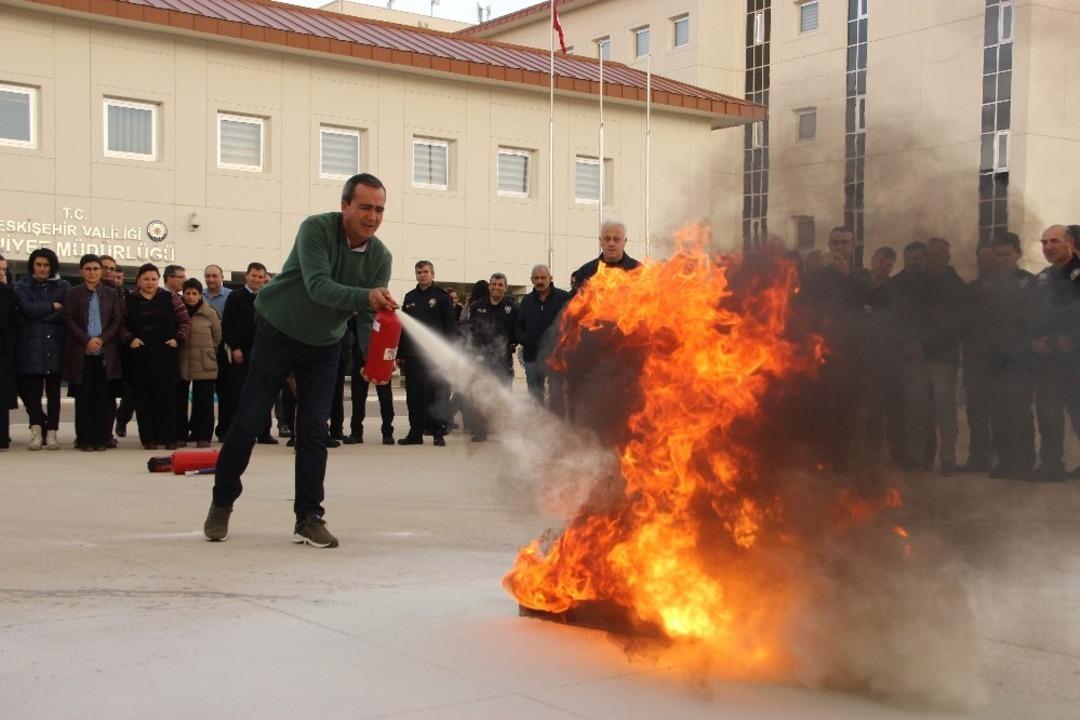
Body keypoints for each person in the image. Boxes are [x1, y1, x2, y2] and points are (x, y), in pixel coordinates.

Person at [204, 173, 395, 548]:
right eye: (365, 207)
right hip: (278, 333)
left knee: (314, 431)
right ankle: (222, 502)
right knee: (248, 421)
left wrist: (372, 360)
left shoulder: (380, 257)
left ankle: (309, 518)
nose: (372, 216)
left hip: (324, 346)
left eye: (380, 209)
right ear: (345, 206)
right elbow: (318, 286)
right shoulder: (316, 230)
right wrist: (367, 298)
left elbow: (366, 317)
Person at [1030, 225, 1080, 481]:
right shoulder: (1043, 278)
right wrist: (1033, 341)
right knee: (1048, 414)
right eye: (1044, 242)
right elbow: (1030, 315)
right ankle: (1051, 464)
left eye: (1054, 241)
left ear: (1069, 242)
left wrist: (1072, 339)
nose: (1048, 247)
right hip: (1048, 360)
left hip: (1075, 361)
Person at [122, 263, 191, 450]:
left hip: (165, 356)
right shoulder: (129, 299)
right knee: (144, 401)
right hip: (139, 356)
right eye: (146, 279)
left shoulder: (170, 298)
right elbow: (120, 324)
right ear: (139, 280)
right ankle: (149, 439)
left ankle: (168, 437)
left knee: (167, 399)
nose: (150, 283)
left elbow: (185, 322)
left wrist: (178, 339)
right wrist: (130, 339)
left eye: (153, 279)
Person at [986, 232, 1036, 479]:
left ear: (1018, 254)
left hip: (1021, 359)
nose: (1003, 259)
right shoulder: (987, 285)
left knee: (1021, 411)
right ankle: (1005, 461)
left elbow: (1037, 321)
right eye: (998, 255)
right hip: (994, 360)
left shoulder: (1030, 283)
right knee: (998, 412)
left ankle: (1025, 462)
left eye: (1007, 254)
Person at [63, 254, 123, 451]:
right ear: (81, 271)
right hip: (82, 353)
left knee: (103, 398)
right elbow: (69, 320)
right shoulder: (73, 293)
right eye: (88, 269)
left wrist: (101, 339)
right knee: (84, 399)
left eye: (96, 269)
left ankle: (100, 438)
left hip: (105, 354)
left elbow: (116, 320)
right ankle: (84, 439)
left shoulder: (111, 293)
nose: (92, 272)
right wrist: (87, 340)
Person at [14, 248, 69, 451]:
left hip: (55, 346)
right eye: (38, 264)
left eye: (46, 265)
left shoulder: (63, 286)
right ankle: (36, 432)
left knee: (54, 393)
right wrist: (51, 306)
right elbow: (25, 309)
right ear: (32, 265)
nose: (42, 268)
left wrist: (39, 312)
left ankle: (52, 433)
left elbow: (64, 312)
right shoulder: (21, 285)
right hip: (31, 346)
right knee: (33, 394)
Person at [398, 260, 455, 446]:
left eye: (425, 271)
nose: (422, 275)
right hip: (413, 356)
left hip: (435, 356)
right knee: (414, 396)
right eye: (419, 272)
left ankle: (438, 432)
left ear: (433, 274)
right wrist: (400, 353)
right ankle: (415, 433)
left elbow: (450, 328)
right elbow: (403, 328)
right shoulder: (410, 297)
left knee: (436, 393)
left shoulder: (442, 297)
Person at [221, 262, 275, 444]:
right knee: (239, 393)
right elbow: (227, 324)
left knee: (264, 392)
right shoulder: (235, 297)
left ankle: (264, 432)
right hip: (241, 352)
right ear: (246, 276)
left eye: (261, 277)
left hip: (265, 351)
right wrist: (235, 347)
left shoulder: (268, 297)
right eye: (254, 276)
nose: (257, 280)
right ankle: (238, 432)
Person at [466, 272, 518, 442]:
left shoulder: (512, 308)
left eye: (500, 285)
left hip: (503, 360)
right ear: (489, 286)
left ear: (505, 287)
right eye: (493, 284)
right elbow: (471, 331)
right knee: (481, 396)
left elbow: (516, 332)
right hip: (482, 359)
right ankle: (481, 431)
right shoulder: (477, 306)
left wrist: (511, 344)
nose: (496, 287)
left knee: (503, 396)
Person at [960, 243, 999, 472]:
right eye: (981, 260)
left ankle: (1002, 458)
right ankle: (978, 457)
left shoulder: (1011, 287)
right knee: (975, 411)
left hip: (1001, 362)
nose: (985, 265)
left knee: (999, 411)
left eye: (989, 260)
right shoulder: (970, 290)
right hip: (975, 359)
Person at [515, 263, 569, 416]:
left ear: (550, 278)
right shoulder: (526, 301)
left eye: (543, 277)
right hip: (532, 357)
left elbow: (572, 323)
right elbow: (518, 325)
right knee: (535, 394)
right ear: (531, 280)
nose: (539, 281)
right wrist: (524, 339)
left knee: (556, 394)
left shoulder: (563, 298)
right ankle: (539, 427)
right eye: (536, 278)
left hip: (556, 357)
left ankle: (557, 427)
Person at [179, 278, 222, 448]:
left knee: (204, 401)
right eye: (187, 293)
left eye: (194, 293)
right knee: (179, 401)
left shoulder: (209, 312)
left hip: (205, 362)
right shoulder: (177, 310)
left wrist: (209, 352)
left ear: (200, 294)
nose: (191, 297)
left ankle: (203, 435)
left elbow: (218, 337)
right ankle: (180, 434)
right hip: (181, 361)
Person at [570, 220, 641, 295]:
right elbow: (574, 303)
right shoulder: (585, 272)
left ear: (625, 241)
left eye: (616, 239)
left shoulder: (639, 271)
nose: (611, 243)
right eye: (607, 239)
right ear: (600, 241)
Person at [0, 254, 19, 450]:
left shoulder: (8, 293)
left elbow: (14, 324)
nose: (1, 273)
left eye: (4, 269)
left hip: (3, 351)